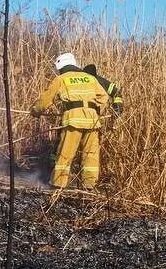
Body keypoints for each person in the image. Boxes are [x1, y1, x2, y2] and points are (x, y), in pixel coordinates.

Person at [30, 52, 110, 189]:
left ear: (61, 67)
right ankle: (89, 187)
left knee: (65, 154)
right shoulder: (90, 78)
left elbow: (46, 99)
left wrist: (35, 111)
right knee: (91, 155)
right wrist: (95, 112)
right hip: (93, 121)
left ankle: (58, 186)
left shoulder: (61, 79)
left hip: (74, 121)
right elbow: (104, 97)